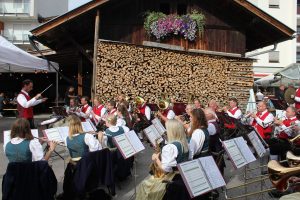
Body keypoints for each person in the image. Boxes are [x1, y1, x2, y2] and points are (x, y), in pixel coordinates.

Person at [136, 120, 189, 200]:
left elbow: (165, 170)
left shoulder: (170, 147)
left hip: (172, 177)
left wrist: (156, 158)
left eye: (167, 129)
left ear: (172, 131)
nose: (165, 131)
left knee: (144, 185)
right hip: (181, 175)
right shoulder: (185, 142)